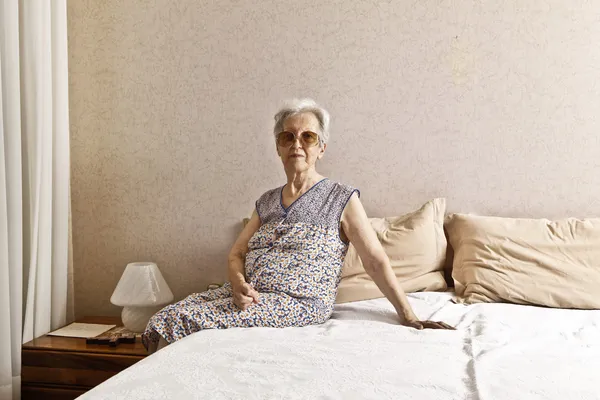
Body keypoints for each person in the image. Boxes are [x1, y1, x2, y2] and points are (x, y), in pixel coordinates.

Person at [142, 98, 454, 353]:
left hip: (300, 304)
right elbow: (236, 253)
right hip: (252, 294)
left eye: (308, 136)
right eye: (287, 136)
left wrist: (410, 315)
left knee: (180, 318)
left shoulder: (341, 198)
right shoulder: (265, 202)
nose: (297, 144)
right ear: (278, 147)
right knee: (163, 316)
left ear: (322, 148)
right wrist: (238, 283)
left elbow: (374, 260)